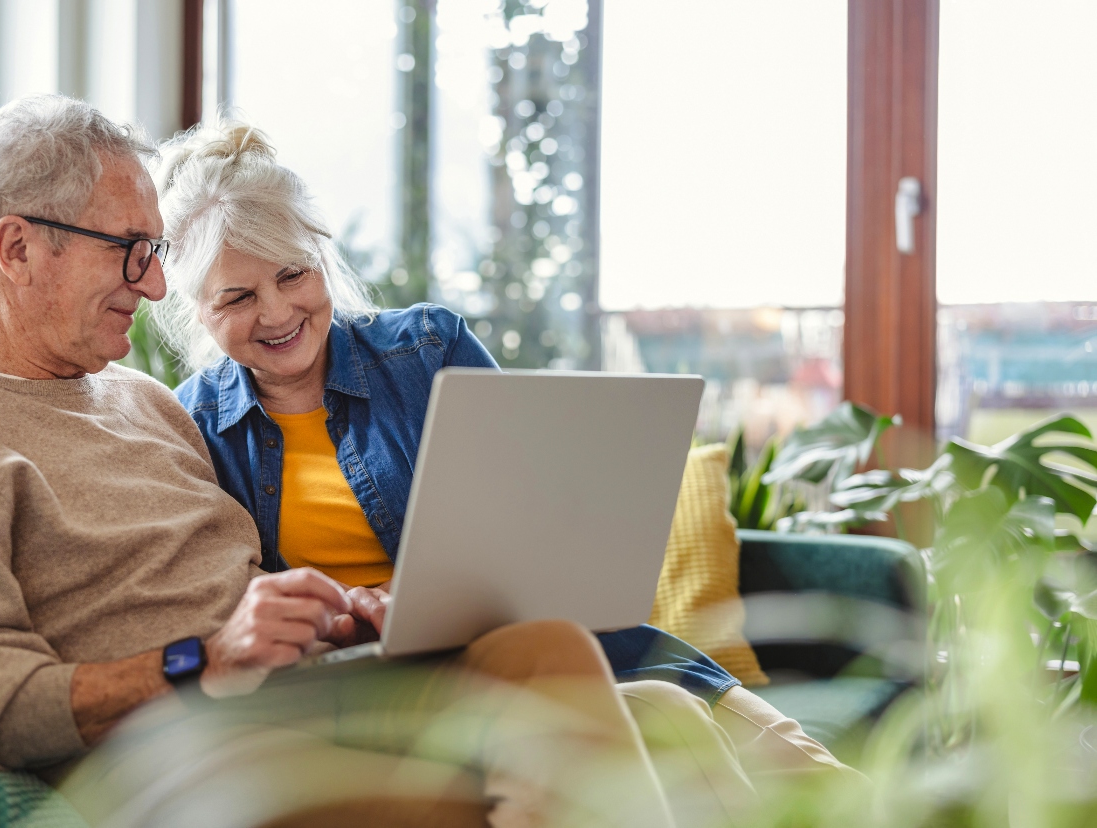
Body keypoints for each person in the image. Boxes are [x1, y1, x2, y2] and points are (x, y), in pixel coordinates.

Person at [0, 95, 775, 828]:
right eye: (131, 253)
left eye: (155, 252)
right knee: (601, 731)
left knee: (652, 708)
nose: (159, 287)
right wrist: (202, 657)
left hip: (304, 700)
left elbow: (241, 594)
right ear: (16, 247)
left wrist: (330, 616)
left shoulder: (145, 405)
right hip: (175, 756)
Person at [154, 119, 865, 811]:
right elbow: (235, 615)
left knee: (815, 778)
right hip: (404, 689)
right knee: (671, 721)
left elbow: (540, 527)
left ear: (322, 257)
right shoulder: (189, 428)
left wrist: (428, 592)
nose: (278, 311)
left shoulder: (427, 350)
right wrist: (345, 616)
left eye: (292, 274)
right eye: (239, 297)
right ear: (196, 309)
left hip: (567, 644)